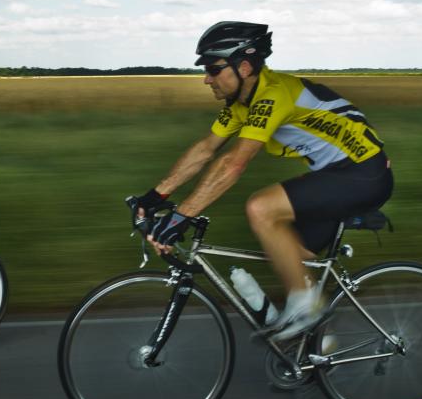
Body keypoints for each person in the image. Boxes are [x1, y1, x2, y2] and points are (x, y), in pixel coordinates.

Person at [134, 21, 394, 340]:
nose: (206, 79)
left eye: (214, 69)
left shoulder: (273, 95)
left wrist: (180, 217)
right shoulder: (243, 103)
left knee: (262, 209)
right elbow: (206, 150)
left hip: (362, 173)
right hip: (337, 175)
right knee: (287, 252)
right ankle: (315, 346)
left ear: (243, 67)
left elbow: (233, 163)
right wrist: (155, 197)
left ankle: (305, 309)